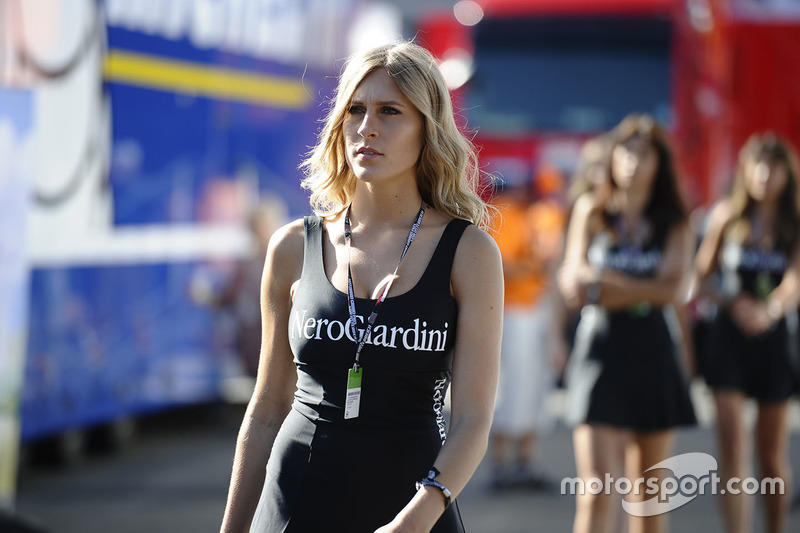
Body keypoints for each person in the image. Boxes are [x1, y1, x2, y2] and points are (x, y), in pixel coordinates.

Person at [219, 41, 503, 533]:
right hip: (293, 504)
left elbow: (473, 421)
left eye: (390, 111)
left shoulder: (469, 252)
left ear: (426, 129)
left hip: (411, 509)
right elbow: (266, 410)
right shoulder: (292, 246)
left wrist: (415, 521)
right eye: (355, 109)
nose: (367, 126)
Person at [558, 114, 697, 533]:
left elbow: (673, 290)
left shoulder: (674, 221)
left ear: (660, 163)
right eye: (626, 152)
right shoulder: (591, 210)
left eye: (644, 154)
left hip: (653, 351)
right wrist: (643, 286)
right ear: (612, 157)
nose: (633, 163)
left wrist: (605, 283)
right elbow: (573, 283)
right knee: (597, 488)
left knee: (648, 498)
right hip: (598, 351)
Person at [690, 133, 800, 533]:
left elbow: (794, 281)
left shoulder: (794, 223)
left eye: (774, 167)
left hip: (775, 340)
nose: (765, 176)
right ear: (745, 171)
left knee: (770, 455)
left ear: (788, 174)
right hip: (729, 340)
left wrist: (770, 310)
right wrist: (732, 301)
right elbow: (699, 280)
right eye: (758, 165)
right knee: (733, 446)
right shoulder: (726, 217)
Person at [488, 169, 566, 491]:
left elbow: (556, 264)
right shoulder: (504, 213)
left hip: (539, 311)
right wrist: (537, 266)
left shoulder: (546, 215)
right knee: (508, 390)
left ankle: (525, 463)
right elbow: (497, 265)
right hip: (511, 313)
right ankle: (500, 466)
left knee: (536, 391)